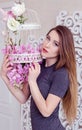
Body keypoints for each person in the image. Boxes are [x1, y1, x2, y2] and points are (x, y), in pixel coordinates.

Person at [0, 25, 78, 130]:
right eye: (48, 38)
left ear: (62, 50)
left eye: (55, 44)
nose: (48, 44)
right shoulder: (37, 66)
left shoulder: (61, 74)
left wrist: (32, 81)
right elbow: (23, 98)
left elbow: (46, 111)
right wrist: (4, 76)